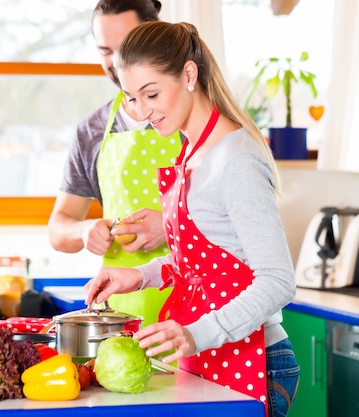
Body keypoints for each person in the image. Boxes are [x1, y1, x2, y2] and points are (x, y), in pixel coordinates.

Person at [84, 21, 299, 417]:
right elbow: (210, 263)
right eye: (132, 98)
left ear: (188, 74)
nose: (142, 111)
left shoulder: (235, 159)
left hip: (254, 362)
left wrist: (194, 334)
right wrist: (142, 275)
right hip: (209, 357)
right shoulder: (193, 152)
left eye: (151, 94)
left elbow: (278, 280)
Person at [48, 0, 182, 327]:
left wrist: (170, 225)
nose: (117, 62)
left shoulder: (191, 115)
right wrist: (84, 230)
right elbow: (58, 228)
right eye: (106, 50)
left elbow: (239, 222)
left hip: (196, 316)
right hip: (125, 319)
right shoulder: (92, 131)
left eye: (127, 46)